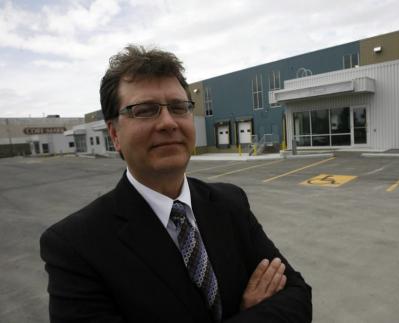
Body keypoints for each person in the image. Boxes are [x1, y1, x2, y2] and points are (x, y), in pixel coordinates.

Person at [40, 45, 312, 322]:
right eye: (145, 110)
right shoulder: (76, 246)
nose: (168, 123)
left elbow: (297, 296)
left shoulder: (231, 203)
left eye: (178, 107)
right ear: (114, 134)